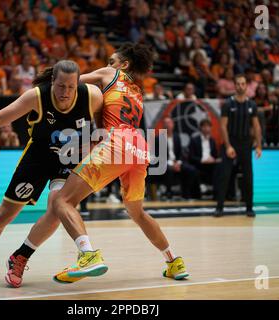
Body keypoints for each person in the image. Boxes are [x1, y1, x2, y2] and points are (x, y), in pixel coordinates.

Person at [0, 61, 104, 287]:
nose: (65, 92)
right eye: (60, 86)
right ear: (52, 82)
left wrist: (93, 144)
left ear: (78, 83)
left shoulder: (93, 96)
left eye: (71, 86)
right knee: (5, 214)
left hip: (69, 161)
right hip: (37, 158)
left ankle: (21, 256)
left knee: (58, 206)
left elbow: (106, 128)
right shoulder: (36, 96)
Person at [45, 43, 189, 283]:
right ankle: (174, 261)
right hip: (139, 147)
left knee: (62, 200)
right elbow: (107, 122)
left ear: (124, 64)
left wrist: (43, 82)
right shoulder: (137, 92)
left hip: (117, 144)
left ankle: (88, 255)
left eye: (112, 61)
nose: (107, 64)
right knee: (137, 211)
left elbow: (73, 80)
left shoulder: (110, 73)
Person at [215, 74, 262, 218]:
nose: (240, 86)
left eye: (243, 84)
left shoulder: (252, 105)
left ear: (246, 86)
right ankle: (219, 207)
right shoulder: (228, 104)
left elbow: (256, 126)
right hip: (231, 143)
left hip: (246, 145)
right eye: (238, 84)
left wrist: (259, 146)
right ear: (234, 86)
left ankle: (249, 207)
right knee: (224, 175)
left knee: (248, 177)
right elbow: (223, 126)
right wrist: (228, 146)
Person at [188, 118, 219, 197]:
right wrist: (202, 160)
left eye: (208, 126)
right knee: (193, 170)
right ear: (200, 128)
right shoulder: (194, 140)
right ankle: (197, 194)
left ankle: (217, 193)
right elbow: (191, 157)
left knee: (220, 168)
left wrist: (214, 159)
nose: (206, 128)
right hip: (199, 164)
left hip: (211, 164)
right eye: (204, 126)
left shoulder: (212, 140)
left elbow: (215, 155)